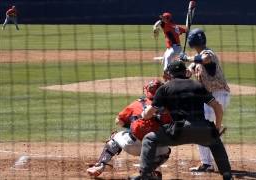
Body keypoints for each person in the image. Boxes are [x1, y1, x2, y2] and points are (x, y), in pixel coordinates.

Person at [129, 61, 232, 180]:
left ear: (169, 74)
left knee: (149, 139)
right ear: (185, 72)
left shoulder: (164, 88)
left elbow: (148, 114)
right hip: (202, 129)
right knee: (215, 141)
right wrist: (216, 128)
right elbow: (217, 107)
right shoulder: (197, 85)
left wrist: (144, 112)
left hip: (178, 131)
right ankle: (227, 175)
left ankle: (145, 174)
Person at [86, 80, 172, 178]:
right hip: (155, 149)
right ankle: (150, 171)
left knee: (115, 136)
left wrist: (133, 125)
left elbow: (118, 121)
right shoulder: (169, 107)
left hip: (131, 146)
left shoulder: (137, 103)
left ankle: (100, 166)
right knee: (166, 150)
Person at [180, 28, 231, 172]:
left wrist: (187, 58)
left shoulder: (207, 53)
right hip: (211, 97)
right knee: (201, 128)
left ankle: (208, 163)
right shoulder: (196, 58)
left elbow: (205, 59)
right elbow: (188, 72)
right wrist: (181, 65)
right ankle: (209, 159)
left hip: (218, 95)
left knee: (201, 129)